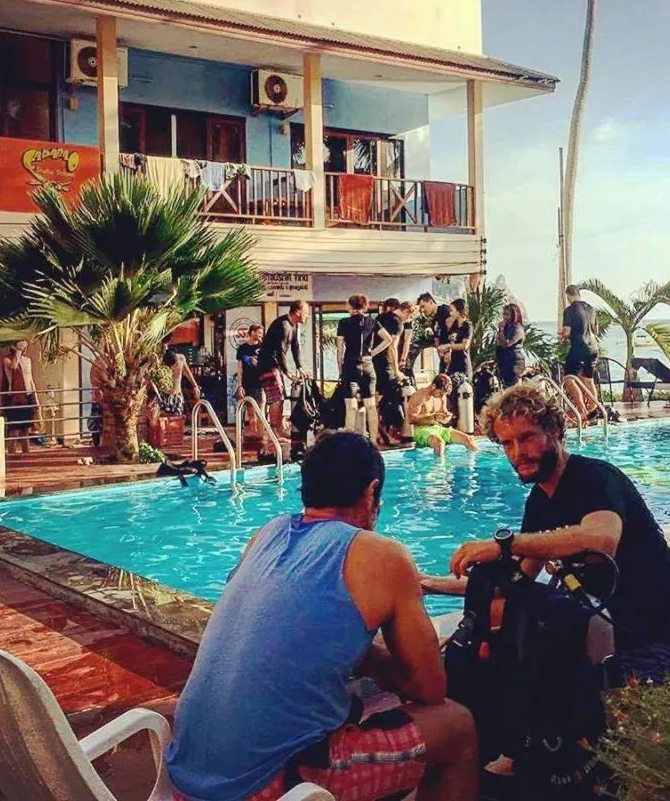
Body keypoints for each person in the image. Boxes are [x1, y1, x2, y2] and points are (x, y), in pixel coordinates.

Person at [165, 431, 478, 801]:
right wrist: (376, 659)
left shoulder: (266, 534)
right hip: (263, 786)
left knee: (352, 705)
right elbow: (430, 689)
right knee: (457, 726)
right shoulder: (382, 555)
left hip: (184, 776)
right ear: (371, 492)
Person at [448, 382, 670, 686]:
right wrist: (428, 584)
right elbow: (518, 579)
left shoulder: (596, 478)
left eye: (527, 437)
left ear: (555, 431)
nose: (518, 453)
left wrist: (505, 545)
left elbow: (601, 541)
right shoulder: (540, 501)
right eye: (507, 443)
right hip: (623, 641)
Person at [257, 300, 309, 443]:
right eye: (306, 313)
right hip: (268, 364)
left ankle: (278, 429)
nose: (307, 316)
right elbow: (280, 351)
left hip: (275, 365)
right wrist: (287, 373)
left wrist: (300, 367)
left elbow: (295, 348)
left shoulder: (295, 326)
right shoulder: (283, 325)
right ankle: (275, 431)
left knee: (281, 397)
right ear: (298, 312)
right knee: (276, 397)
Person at [335, 295, 379, 443]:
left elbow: (340, 349)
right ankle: (373, 442)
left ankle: (350, 443)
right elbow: (388, 339)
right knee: (371, 406)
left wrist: (340, 369)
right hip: (367, 364)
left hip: (350, 364)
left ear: (349, 306)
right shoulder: (372, 322)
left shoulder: (344, 322)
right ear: (365, 306)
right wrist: (372, 353)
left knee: (351, 406)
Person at [407, 374, 477, 457]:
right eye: (440, 393)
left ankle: (476, 463)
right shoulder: (419, 396)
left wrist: (446, 417)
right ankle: (440, 465)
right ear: (433, 386)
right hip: (421, 430)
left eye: (444, 394)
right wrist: (432, 418)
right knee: (439, 443)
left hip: (438, 428)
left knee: (468, 439)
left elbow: (444, 420)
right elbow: (411, 419)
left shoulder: (442, 397)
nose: (442, 396)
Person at [560, 284, 600, 419]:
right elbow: (596, 330)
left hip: (579, 347)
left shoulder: (570, 310)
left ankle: (582, 411)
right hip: (593, 348)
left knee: (568, 379)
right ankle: (592, 410)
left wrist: (562, 336)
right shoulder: (591, 308)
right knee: (588, 380)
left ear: (568, 295)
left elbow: (566, 331)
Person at [372, 298, 407, 444]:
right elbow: (392, 347)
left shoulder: (379, 318)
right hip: (384, 365)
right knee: (388, 399)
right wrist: (397, 370)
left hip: (372, 364)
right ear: (406, 311)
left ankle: (377, 434)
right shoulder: (397, 322)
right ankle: (387, 432)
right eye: (409, 317)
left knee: (374, 400)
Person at [1, 340, 39, 455]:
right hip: (14, 398)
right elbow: (13, 366)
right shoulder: (7, 359)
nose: (24, 348)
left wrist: (36, 401)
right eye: (22, 346)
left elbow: (31, 380)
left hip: (27, 396)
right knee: (13, 431)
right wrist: (18, 351)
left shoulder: (27, 360)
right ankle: (11, 456)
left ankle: (26, 456)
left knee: (25, 431)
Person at [235, 324, 264, 441]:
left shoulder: (263, 347)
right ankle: (254, 437)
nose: (261, 335)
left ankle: (262, 436)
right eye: (259, 332)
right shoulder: (242, 348)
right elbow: (239, 368)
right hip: (247, 383)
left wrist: (260, 364)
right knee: (251, 413)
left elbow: (269, 363)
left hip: (260, 383)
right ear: (252, 332)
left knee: (261, 412)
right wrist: (240, 385)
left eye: (262, 333)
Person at [414, 293, 451, 373]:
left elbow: (454, 332)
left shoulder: (445, 311)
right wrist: (440, 351)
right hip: (443, 355)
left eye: (423, 306)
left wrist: (450, 351)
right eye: (420, 308)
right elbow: (436, 337)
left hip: (452, 354)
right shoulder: (434, 319)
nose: (422, 310)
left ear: (431, 302)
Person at [162, 340, 201, 415]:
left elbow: (187, 372)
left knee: (178, 418)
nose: (172, 368)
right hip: (164, 395)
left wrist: (195, 385)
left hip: (177, 395)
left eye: (174, 365)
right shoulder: (162, 362)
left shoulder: (181, 358)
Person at [439, 299, 472, 381]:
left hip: (462, 364)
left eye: (452, 311)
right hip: (452, 364)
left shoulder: (467, 325)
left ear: (459, 311)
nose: (450, 313)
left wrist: (448, 346)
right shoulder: (454, 326)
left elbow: (464, 346)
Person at [495, 302, 526, 387]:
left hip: (513, 363)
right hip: (504, 362)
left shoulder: (517, 328)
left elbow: (506, 344)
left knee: (511, 388)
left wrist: (501, 329)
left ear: (514, 315)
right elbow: (499, 343)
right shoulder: (506, 327)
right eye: (504, 314)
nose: (505, 317)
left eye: (507, 314)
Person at [398, 301, 419, 376]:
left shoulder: (407, 323)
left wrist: (403, 358)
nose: (410, 319)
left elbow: (407, 340)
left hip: (402, 351)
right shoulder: (399, 320)